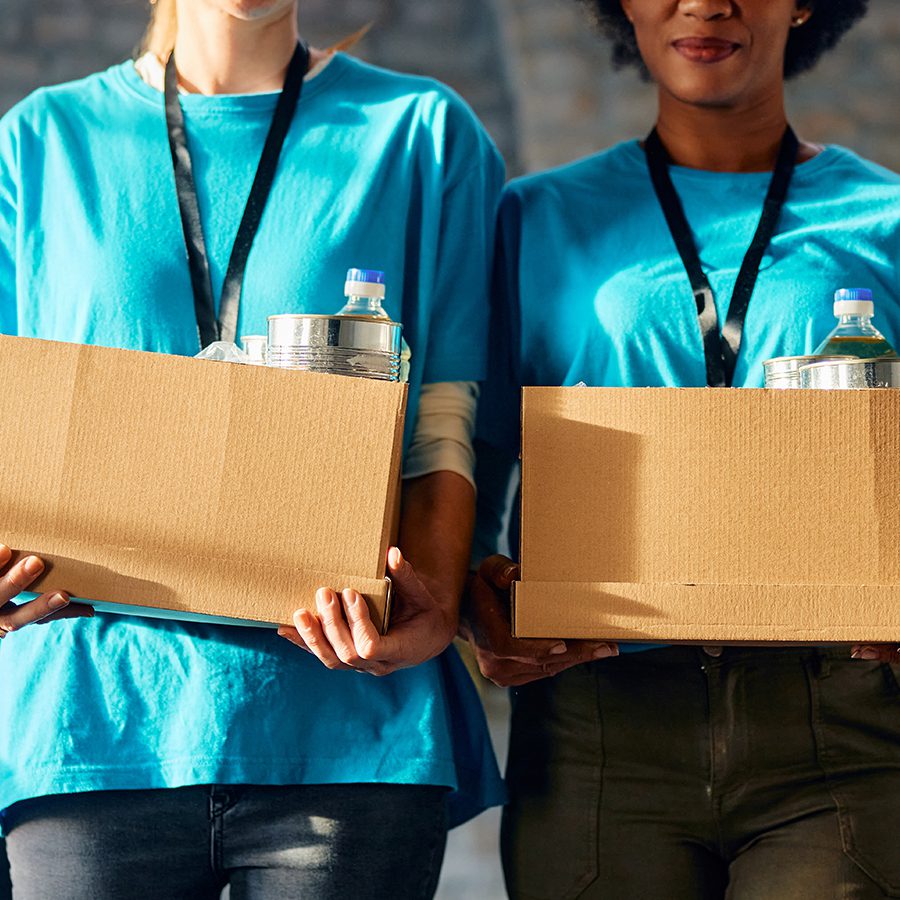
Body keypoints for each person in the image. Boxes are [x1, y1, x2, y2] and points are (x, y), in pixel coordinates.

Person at [0, 0, 505, 896]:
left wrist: (430, 604)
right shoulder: (39, 143)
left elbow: (443, 415)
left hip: (346, 719)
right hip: (93, 720)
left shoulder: (420, 134)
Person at [465, 0, 900, 897]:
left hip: (838, 719)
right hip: (599, 721)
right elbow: (469, 450)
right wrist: (477, 589)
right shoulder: (534, 220)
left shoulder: (886, 220)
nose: (706, 3)